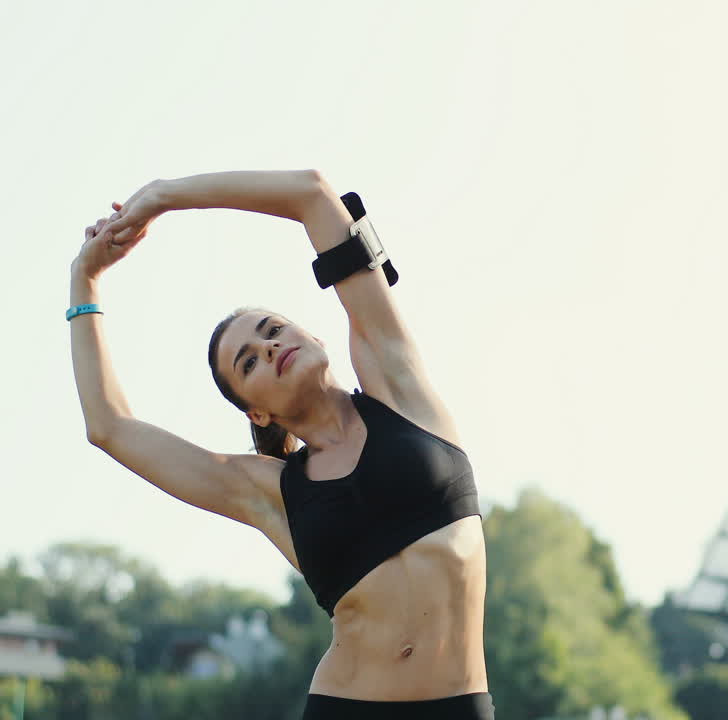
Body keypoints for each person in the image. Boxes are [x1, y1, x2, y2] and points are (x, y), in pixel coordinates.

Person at [69, 170, 495, 720]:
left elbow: (313, 194)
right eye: (248, 361)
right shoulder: (268, 490)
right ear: (257, 410)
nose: (269, 348)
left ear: (313, 336)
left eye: (272, 330)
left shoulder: (400, 390)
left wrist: (163, 196)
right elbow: (109, 427)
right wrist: (85, 281)